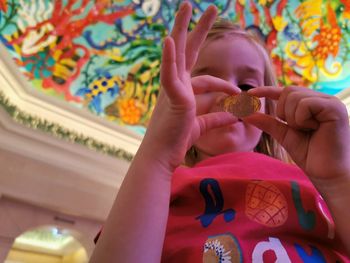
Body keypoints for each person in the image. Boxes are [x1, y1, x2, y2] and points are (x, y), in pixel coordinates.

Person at [90, 2, 350, 262]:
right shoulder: (160, 183)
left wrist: (337, 180)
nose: (229, 94)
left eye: (247, 84)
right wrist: (155, 154)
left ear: (270, 107)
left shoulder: (315, 180)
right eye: (206, 83)